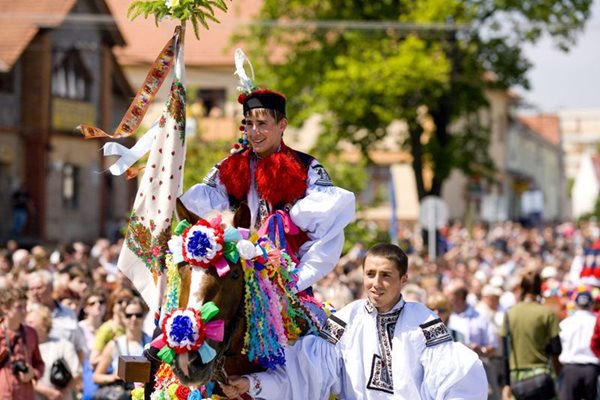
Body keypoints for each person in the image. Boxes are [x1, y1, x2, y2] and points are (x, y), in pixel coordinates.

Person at [221, 243, 487, 399]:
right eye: (370, 274)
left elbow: (455, 379)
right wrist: (252, 384)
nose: (376, 283)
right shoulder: (346, 320)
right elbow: (306, 373)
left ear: (403, 280)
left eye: (386, 275)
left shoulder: (424, 321)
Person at [179, 85, 355, 294]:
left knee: (318, 326)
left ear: (282, 125)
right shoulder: (227, 168)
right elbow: (204, 219)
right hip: (235, 284)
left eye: (262, 124)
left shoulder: (307, 168)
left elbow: (326, 237)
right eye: (249, 124)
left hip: (288, 285)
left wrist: (294, 281)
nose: (254, 132)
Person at [499, 267, 561, 400]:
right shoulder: (547, 313)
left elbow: (505, 353)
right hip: (542, 377)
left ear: (522, 288)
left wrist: (506, 385)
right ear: (539, 288)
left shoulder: (509, 314)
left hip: (517, 380)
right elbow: (556, 348)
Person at [26, 304, 81, 400]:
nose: (27, 326)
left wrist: (63, 393)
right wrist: (46, 392)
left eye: (31, 322)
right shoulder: (24, 348)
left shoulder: (63, 345)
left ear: (44, 324)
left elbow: (76, 373)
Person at [0, 287, 45, 400]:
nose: (24, 311)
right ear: (5, 308)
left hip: (26, 394)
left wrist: (32, 373)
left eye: (25, 306)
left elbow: (39, 363)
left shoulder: (31, 333)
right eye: (19, 307)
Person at [558, 291, 599, 400]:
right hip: (592, 370)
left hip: (571, 370)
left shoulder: (566, 324)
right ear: (592, 304)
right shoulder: (595, 322)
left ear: (576, 305)